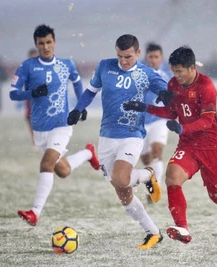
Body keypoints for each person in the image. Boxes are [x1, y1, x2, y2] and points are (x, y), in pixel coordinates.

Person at [123, 46, 217, 246]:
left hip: (210, 146)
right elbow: (171, 113)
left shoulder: (206, 86)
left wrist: (182, 128)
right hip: (188, 145)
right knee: (172, 177)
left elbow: (207, 121)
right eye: (173, 71)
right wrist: (145, 108)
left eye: (179, 71)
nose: (176, 75)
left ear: (192, 67)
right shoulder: (173, 85)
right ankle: (182, 228)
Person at [67, 34, 167, 249]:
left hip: (132, 134)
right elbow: (90, 91)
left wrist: (168, 97)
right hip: (107, 136)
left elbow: (166, 91)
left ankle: (147, 174)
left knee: (121, 177)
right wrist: (78, 109)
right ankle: (153, 232)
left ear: (138, 53)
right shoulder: (105, 67)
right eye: (120, 56)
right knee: (123, 192)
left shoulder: (146, 73)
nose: (123, 61)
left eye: (128, 56)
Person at [9, 24, 100, 226]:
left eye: (49, 42)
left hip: (61, 124)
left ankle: (35, 212)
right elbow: (13, 93)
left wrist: (80, 104)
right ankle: (88, 153)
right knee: (63, 171)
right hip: (39, 129)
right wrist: (31, 93)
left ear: (55, 42)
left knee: (46, 164)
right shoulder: (27, 66)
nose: (46, 47)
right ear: (36, 44)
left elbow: (77, 82)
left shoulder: (66, 64)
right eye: (41, 43)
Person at [141, 43, 172, 203]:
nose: (153, 60)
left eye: (156, 57)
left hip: (159, 120)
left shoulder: (166, 77)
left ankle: (155, 188)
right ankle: (151, 183)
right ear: (146, 58)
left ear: (161, 58)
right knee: (146, 159)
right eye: (150, 57)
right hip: (140, 122)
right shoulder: (139, 74)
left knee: (157, 151)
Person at [25, 48, 38, 144]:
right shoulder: (26, 69)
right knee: (29, 118)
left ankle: (40, 139)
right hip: (30, 98)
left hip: (41, 98)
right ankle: (34, 139)